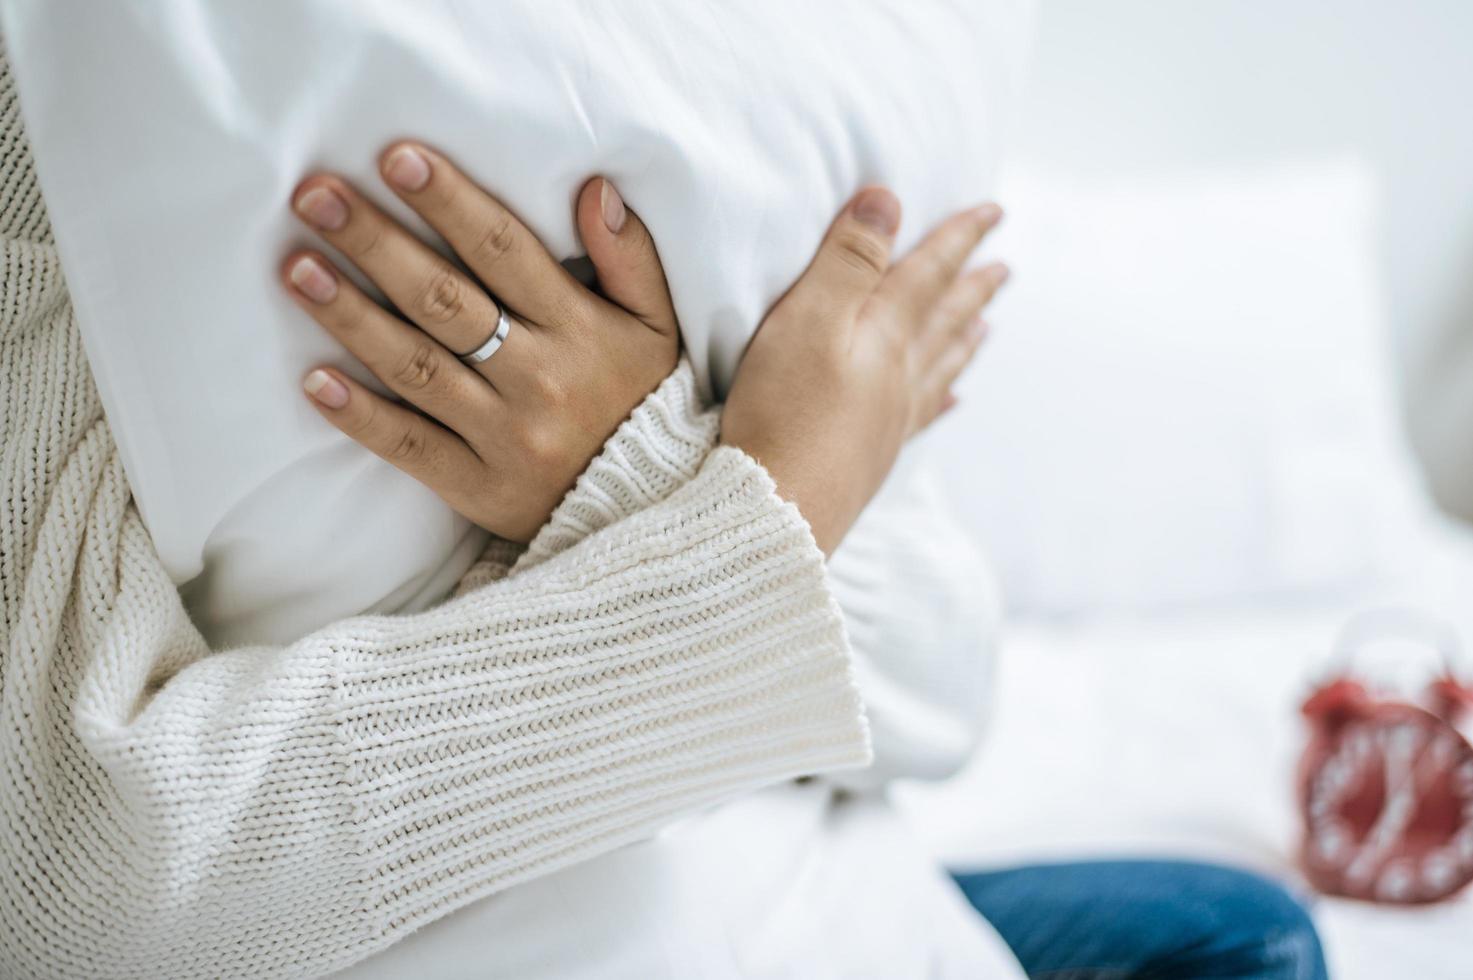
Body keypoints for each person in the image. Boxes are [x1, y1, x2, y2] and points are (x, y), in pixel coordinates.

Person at [0, 49, 1326, 979]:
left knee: (1238, 932)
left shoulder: (733, 90)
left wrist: (643, 467)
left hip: (808, 878)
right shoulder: (92, 105)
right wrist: (756, 513)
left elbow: (944, 702)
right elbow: (55, 900)